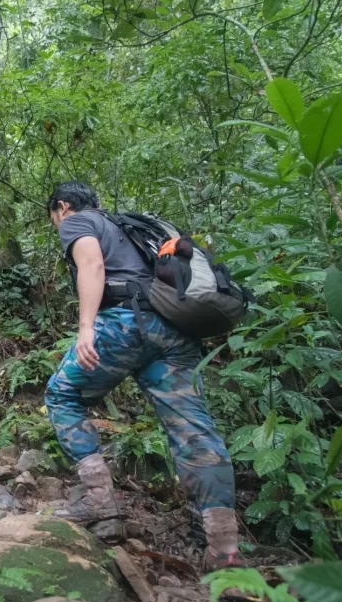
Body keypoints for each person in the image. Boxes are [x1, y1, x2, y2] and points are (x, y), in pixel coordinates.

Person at [45, 180, 244, 570]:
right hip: (174, 330)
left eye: (54, 216)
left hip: (124, 323)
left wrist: (86, 327)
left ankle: (100, 502)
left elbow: (92, 265)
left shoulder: (76, 221)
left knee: (62, 396)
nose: (56, 223)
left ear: (62, 206)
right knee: (194, 430)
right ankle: (225, 550)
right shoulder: (130, 227)